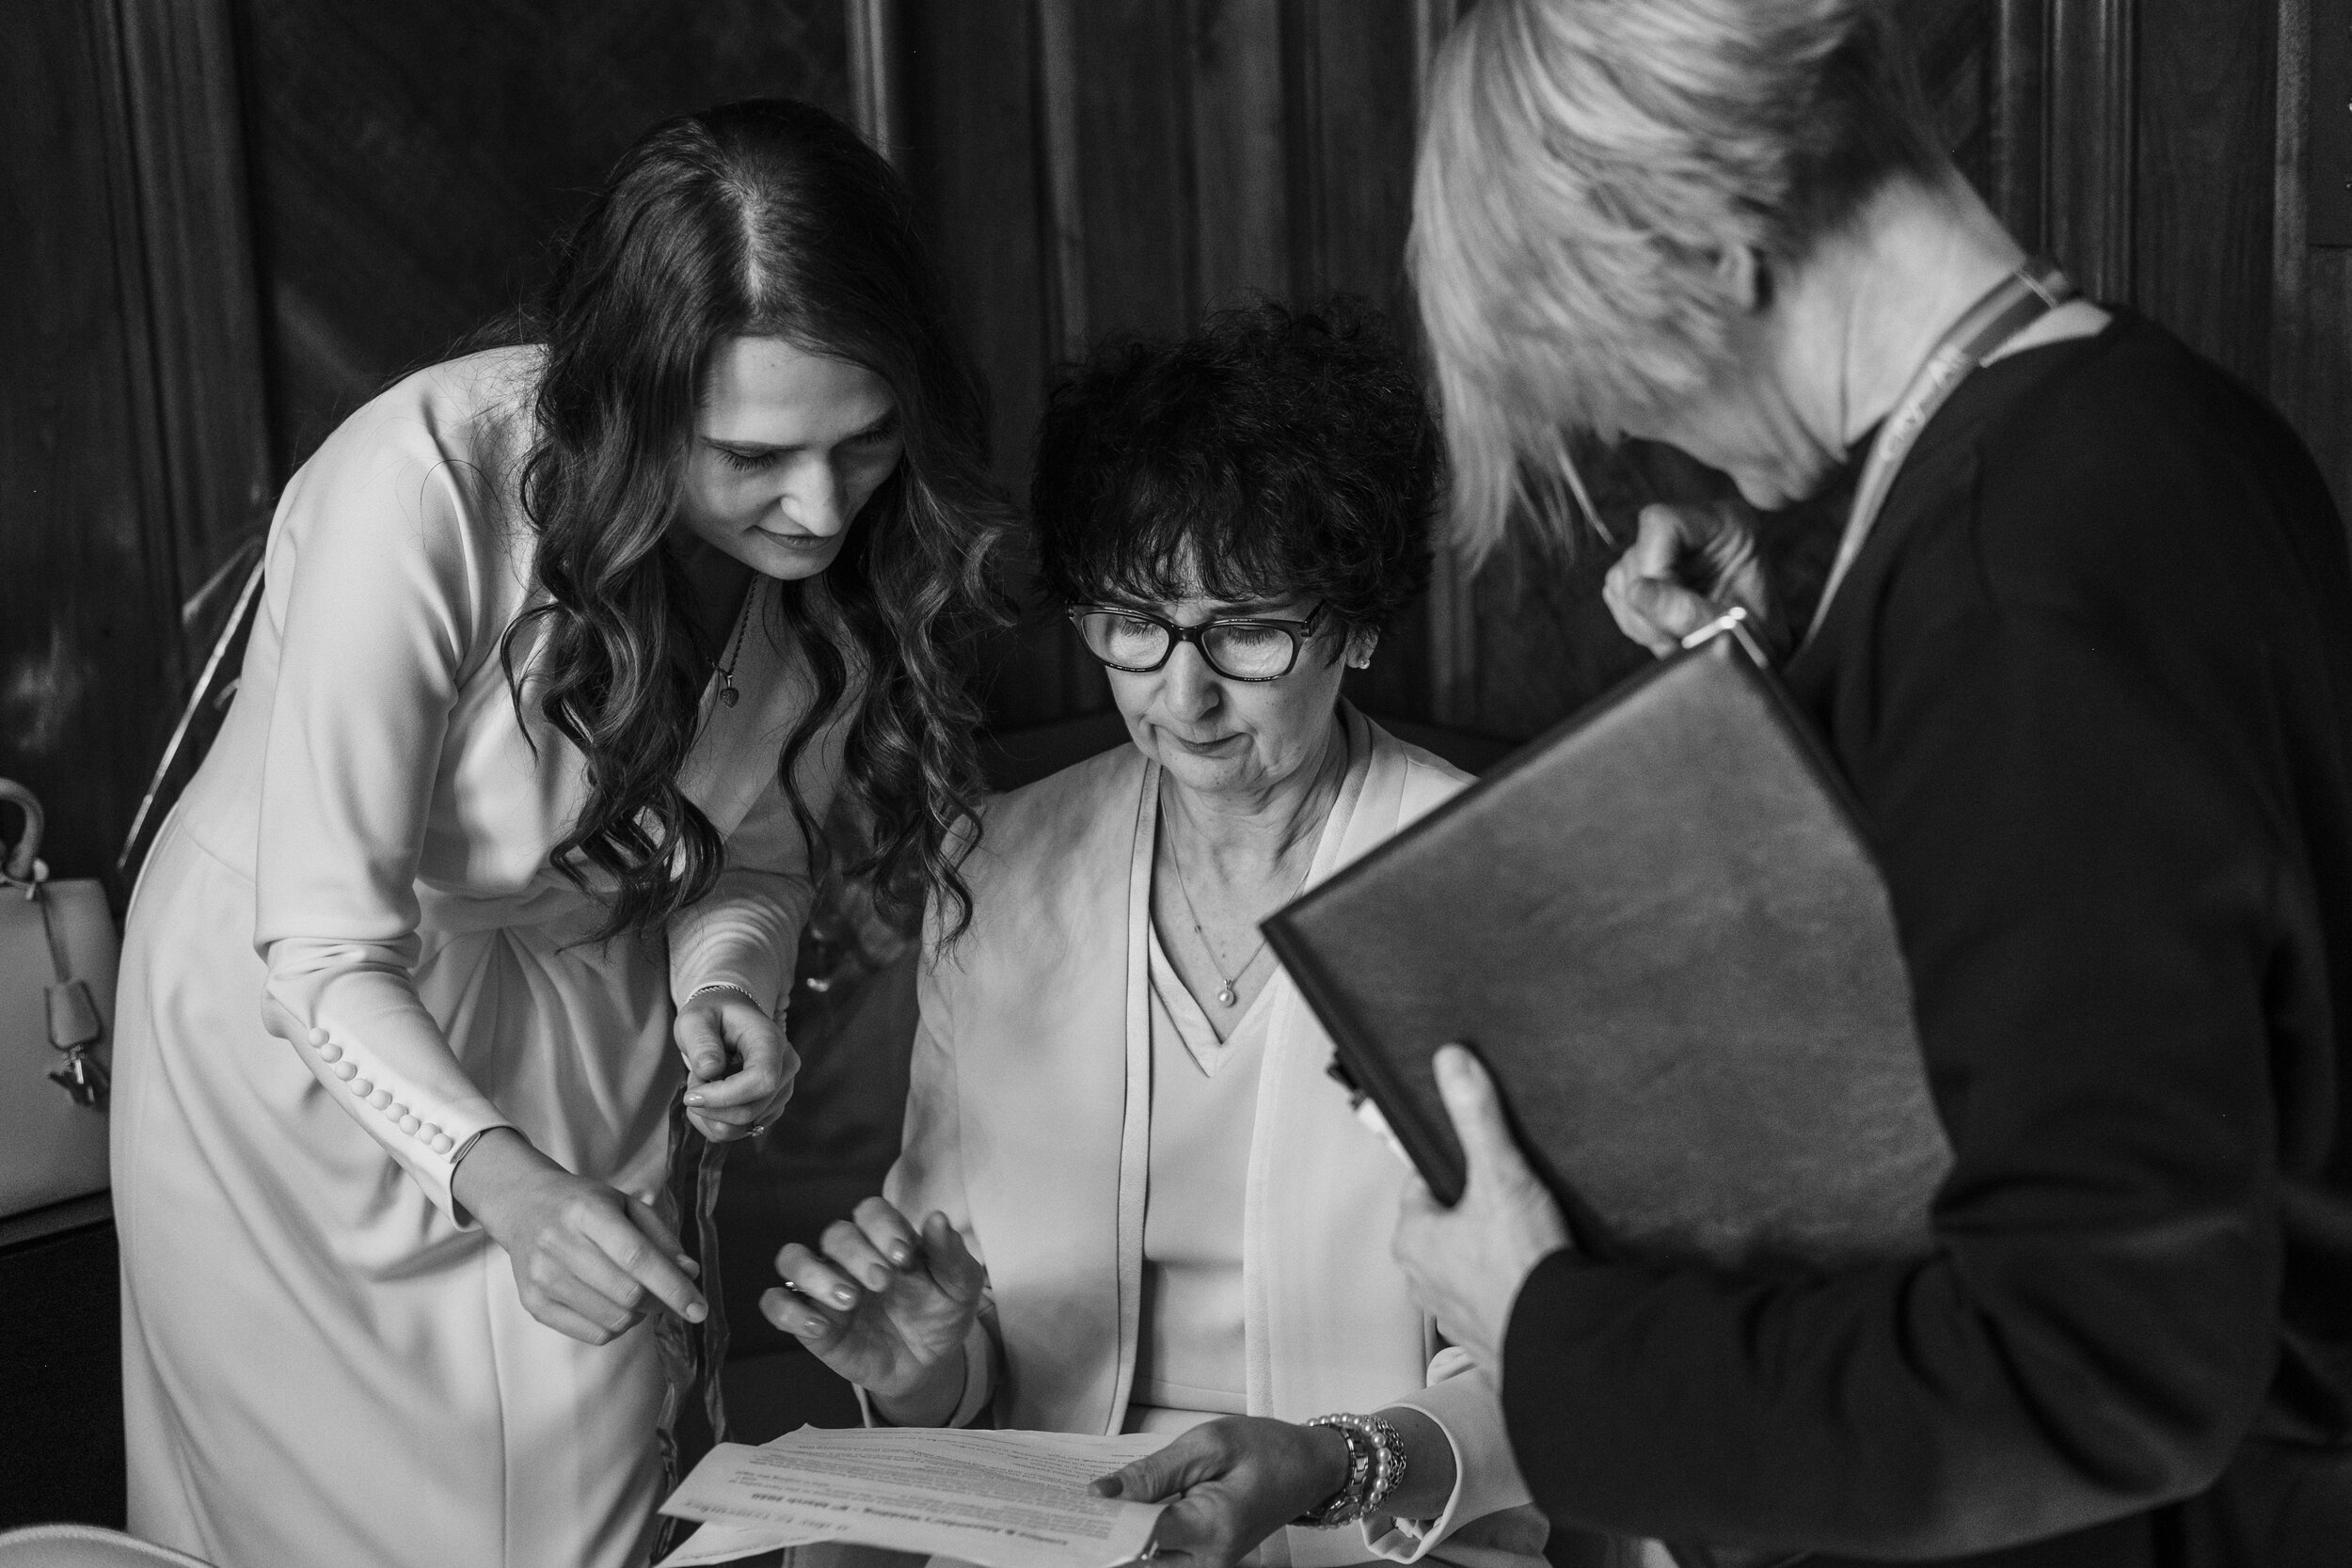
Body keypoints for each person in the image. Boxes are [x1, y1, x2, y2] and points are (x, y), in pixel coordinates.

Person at [1391, 2, 2352, 1565]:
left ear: (1707, 247)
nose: (1637, 429)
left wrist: (1553, 1331)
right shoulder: (2156, 425)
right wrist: (1786, 657)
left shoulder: (2011, 584)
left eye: (1606, 366)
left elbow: (2099, 1370)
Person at [110, 99, 1008, 1568]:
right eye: (754, 455)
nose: (820, 505)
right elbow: (325, 943)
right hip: (302, 1040)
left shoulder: (852, 545)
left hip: (583, 1005)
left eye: (866, 440)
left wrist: (726, 988)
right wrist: (505, 1182)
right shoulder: (423, 483)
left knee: (594, 1481)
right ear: (640, 405)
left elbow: (759, 859)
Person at [761, 302, 1549, 1568]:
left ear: (1352, 627)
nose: (1182, 695)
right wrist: (914, 1372)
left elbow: (1555, 1354)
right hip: (1058, 1533)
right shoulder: (999, 864)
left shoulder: (1488, 882)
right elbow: (956, 1348)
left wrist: (1336, 1465)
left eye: (1244, 631)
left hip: (1375, 1532)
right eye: (1135, 622)